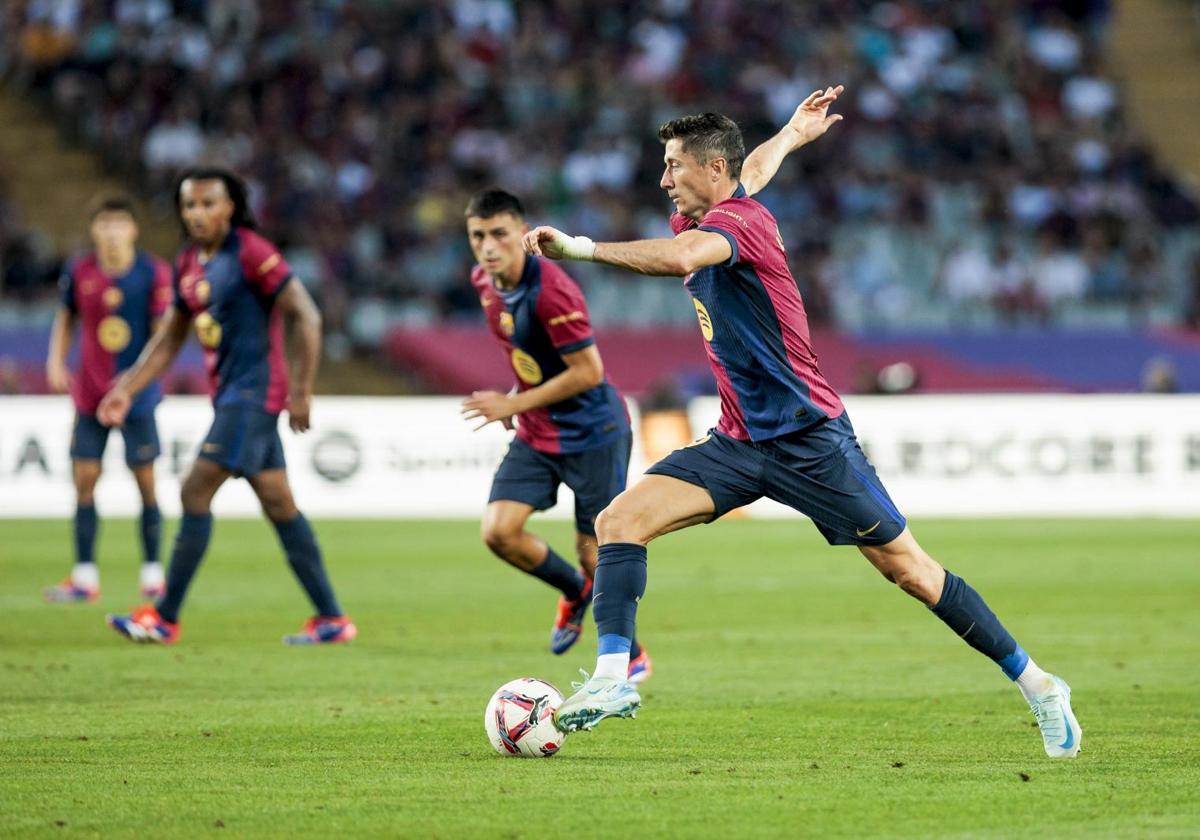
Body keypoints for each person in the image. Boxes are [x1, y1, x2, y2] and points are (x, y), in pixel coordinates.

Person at [522, 88, 1082, 759]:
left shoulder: (737, 228)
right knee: (619, 522)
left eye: (674, 165)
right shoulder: (722, 204)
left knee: (909, 570)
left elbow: (679, 259)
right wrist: (789, 134)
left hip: (811, 441)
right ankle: (613, 678)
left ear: (709, 171)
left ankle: (1041, 685)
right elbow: (752, 169)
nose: (663, 178)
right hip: (738, 441)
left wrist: (579, 249)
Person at [99, 167, 355, 646]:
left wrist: (301, 390)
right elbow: (169, 337)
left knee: (195, 491)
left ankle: (164, 617)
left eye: (208, 203)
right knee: (280, 505)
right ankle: (332, 619)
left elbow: (307, 314)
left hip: (254, 396)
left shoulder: (251, 252)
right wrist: (127, 387)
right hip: (233, 397)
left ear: (230, 206)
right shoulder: (190, 263)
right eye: (189, 205)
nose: (197, 213)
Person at [461, 189, 651, 683]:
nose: (488, 246)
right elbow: (533, 357)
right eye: (478, 236)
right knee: (499, 532)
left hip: (595, 434)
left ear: (521, 235)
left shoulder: (552, 290)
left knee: (596, 551)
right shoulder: (485, 283)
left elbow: (589, 371)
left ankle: (630, 652)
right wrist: (517, 394)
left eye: (499, 234)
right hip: (539, 431)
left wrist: (513, 403)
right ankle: (575, 592)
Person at [44, 193, 172, 604]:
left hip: (137, 396)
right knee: (84, 481)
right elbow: (66, 317)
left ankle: (153, 572)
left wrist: (137, 380)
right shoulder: (80, 270)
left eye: (119, 223)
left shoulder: (153, 273)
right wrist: (55, 360)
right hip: (89, 394)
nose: (112, 232)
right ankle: (84, 576)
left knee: (146, 482)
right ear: (94, 230)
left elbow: (162, 334)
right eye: (104, 224)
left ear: (133, 229)